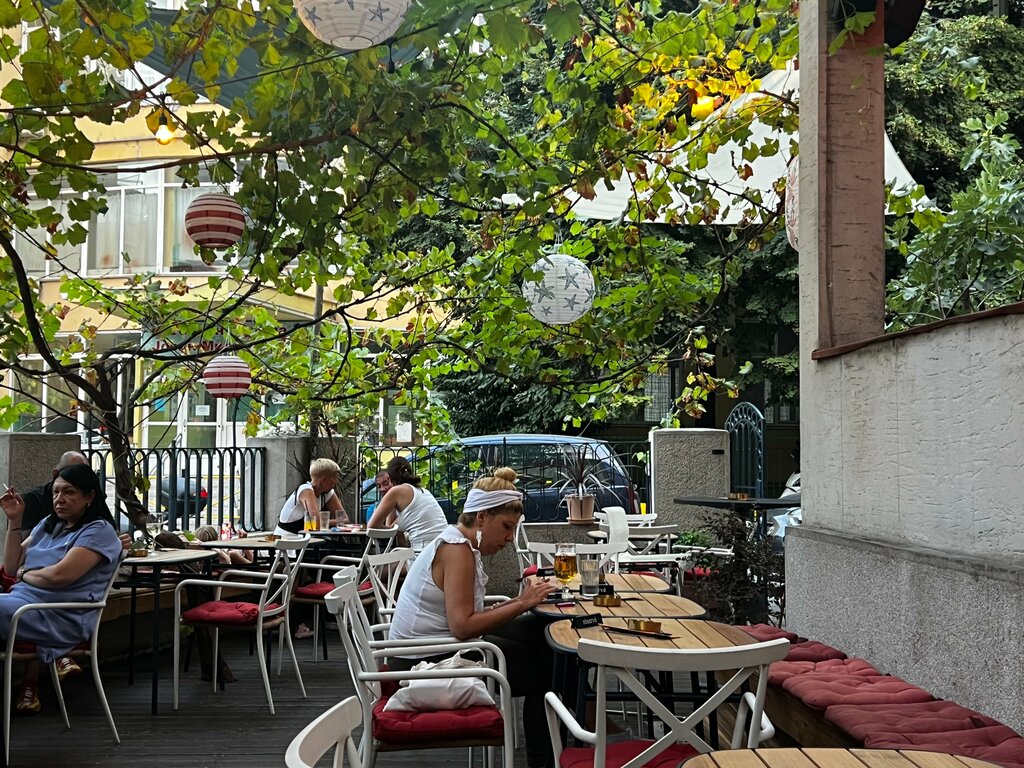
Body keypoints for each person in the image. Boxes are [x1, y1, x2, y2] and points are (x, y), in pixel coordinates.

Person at [388, 468, 558, 768]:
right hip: (421, 662)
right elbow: (463, 626)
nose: (509, 538)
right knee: (541, 674)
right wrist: (522, 602)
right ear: (481, 518)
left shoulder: (460, 542)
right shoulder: (457, 550)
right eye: (506, 527)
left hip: (435, 647)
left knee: (538, 631)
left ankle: (573, 725)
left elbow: (464, 620)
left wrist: (522, 604)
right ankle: (545, 760)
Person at [0, 464, 123, 714]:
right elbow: (11, 566)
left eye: (69, 492)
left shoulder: (99, 531)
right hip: (24, 606)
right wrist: (14, 521)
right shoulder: (49, 524)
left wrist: (25, 574)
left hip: (59, 615)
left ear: (89, 496)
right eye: (56, 492)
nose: (59, 499)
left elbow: (59, 576)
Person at [366, 456, 447, 553]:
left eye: (386, 483)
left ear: (390, 477)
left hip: (425, 551)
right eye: (379, 486)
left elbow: (372, 526)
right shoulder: (423, 491)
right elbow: (390, 526)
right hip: (444, 548)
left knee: (383, 562)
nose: (382, 489)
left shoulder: (397, 491)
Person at [274, 458, 348, 537]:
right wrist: (333, 522)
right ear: (324, 480)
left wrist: (323, 521)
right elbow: (315, 524)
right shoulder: (306, 490)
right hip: (286, 540)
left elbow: (345, 520)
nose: (336, 481)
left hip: (305, 539)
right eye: (335, 477)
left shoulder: (327, 492)